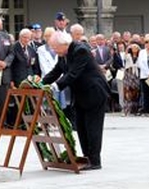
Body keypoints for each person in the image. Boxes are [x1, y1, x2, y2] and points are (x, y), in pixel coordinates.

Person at [42, 31, 109, 171]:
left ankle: (95, 161)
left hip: (94, 92)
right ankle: (87, 157)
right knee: (81, 127)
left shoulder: (80, 51)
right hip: (80, 94)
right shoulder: (63, 54)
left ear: (64, 44)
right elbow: (56, 71)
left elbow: (73, 73)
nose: (54, 50)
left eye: (55, 47)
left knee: (93, 127)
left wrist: (54, 87)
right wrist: (40, 84)